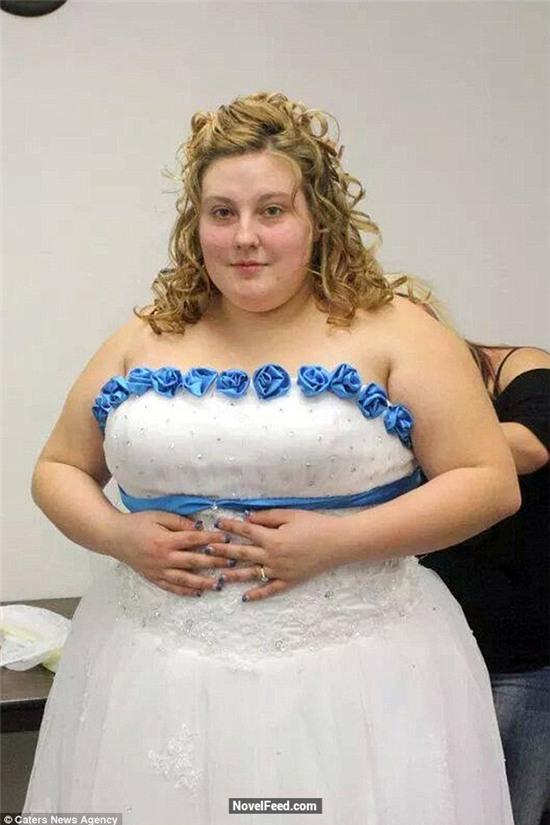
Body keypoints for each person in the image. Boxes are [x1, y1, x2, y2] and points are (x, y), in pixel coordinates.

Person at [24, 91, 520, 824]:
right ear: (195, 224)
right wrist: (117, 535)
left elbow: (488, 481)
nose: (245, 237)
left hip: (353, 673)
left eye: (272, 211)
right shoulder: (146, 334)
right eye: (222, 212)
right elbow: (58, 468)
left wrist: (339, 541)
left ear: (318, 218)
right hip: (149, 671)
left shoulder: (396, 330)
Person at [421, 342, 550, 825]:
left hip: (520, 659)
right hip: (427, 653)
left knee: (512, 809)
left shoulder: (517, 365)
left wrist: (410, 430)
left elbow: (533, 445)